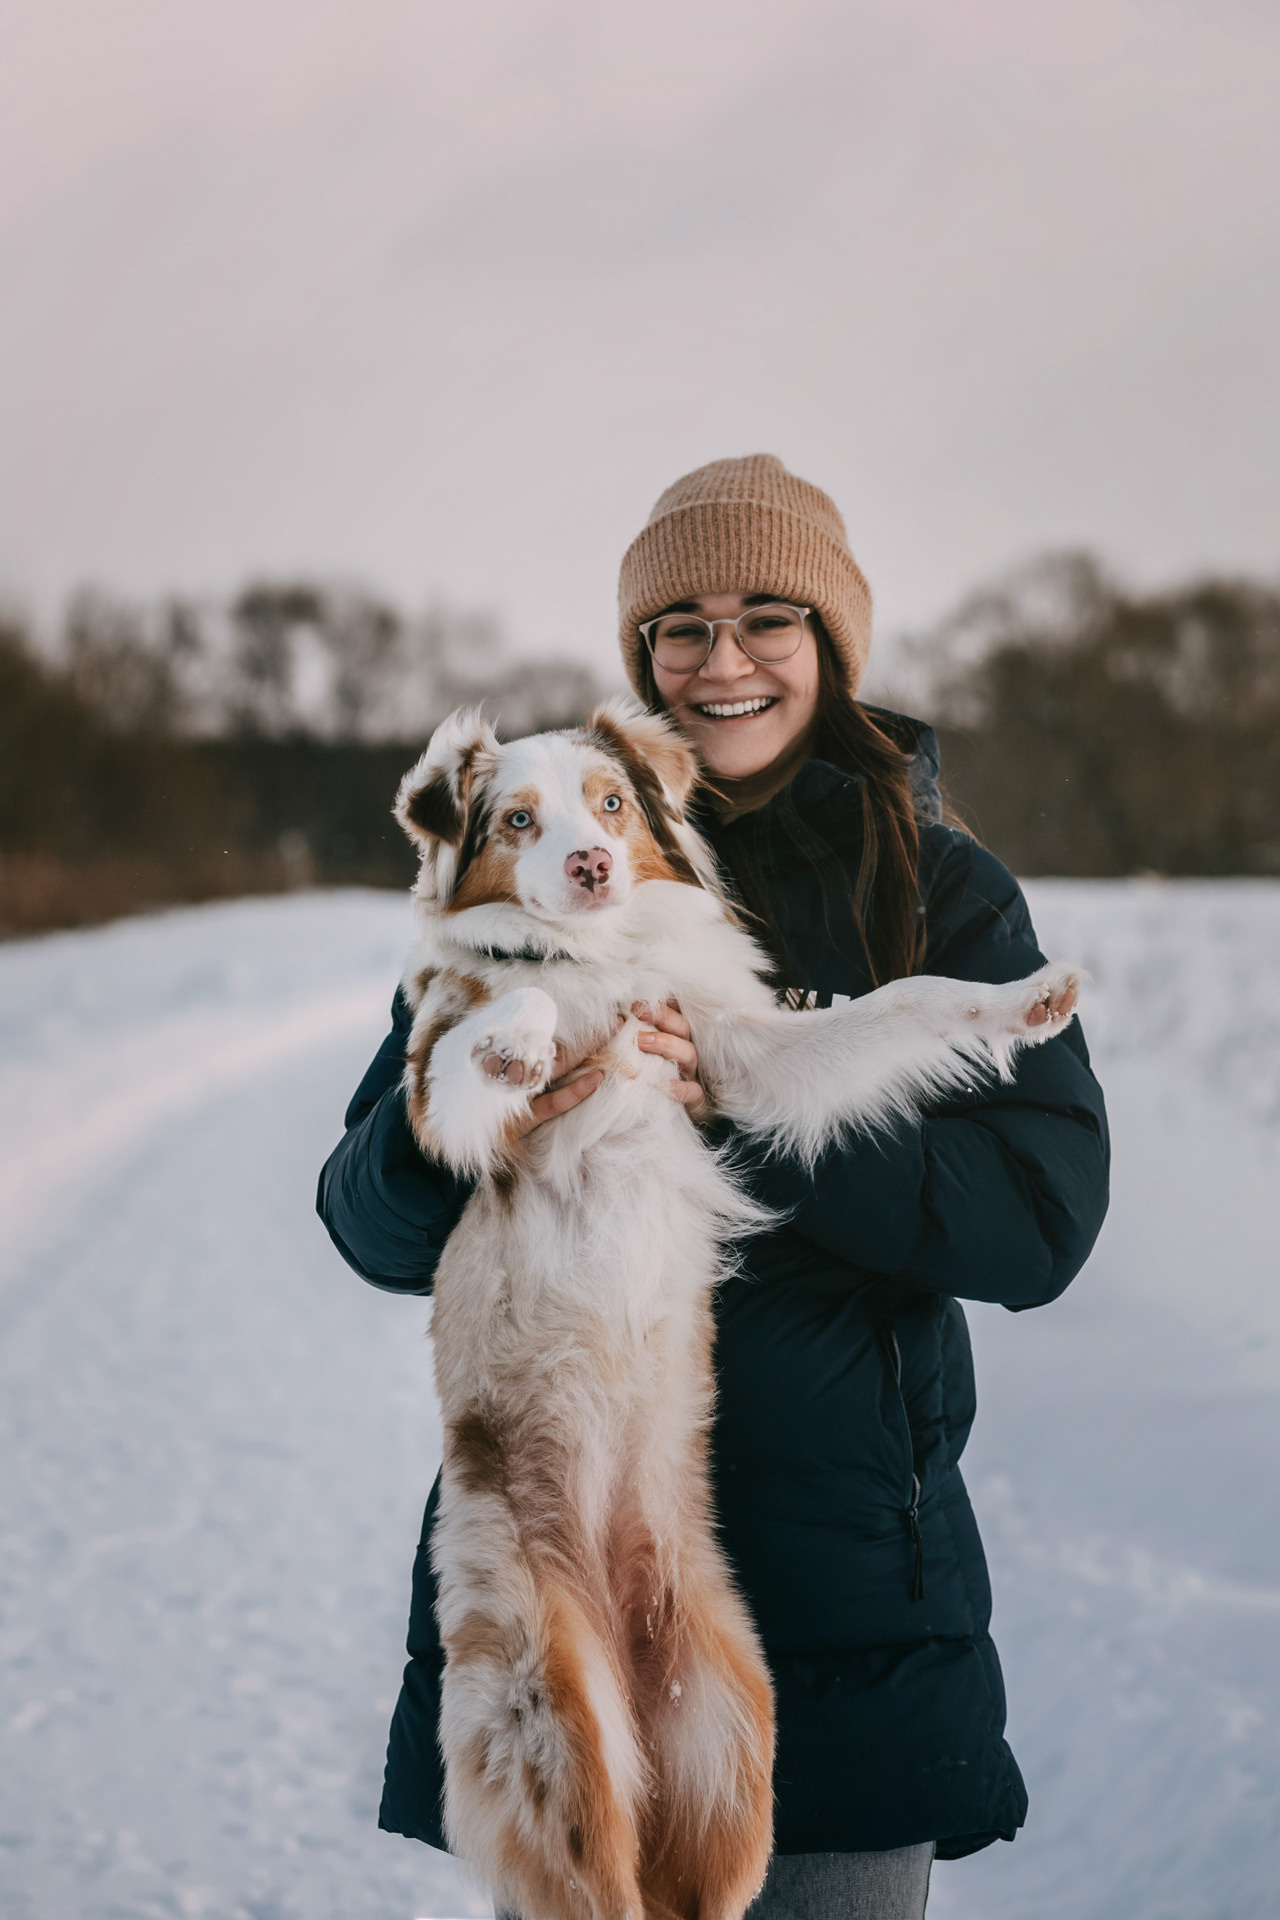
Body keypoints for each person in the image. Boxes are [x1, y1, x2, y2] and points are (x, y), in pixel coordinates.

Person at [317, 454, 1109, 1920]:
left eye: (768, 619)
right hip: (552, 1568)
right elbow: (365, 1223)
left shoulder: (935, 890)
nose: (722, 661)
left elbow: (1039, 1220)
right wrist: (470, 1124)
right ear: (639, 655)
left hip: (847, 1606)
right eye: (681, 625)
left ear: (832, 642)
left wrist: (733, 1116)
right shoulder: (529, 879)